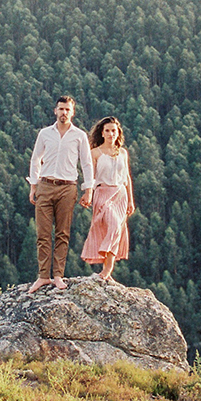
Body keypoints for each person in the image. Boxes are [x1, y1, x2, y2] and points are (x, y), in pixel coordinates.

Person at [27, 95, 94, 292]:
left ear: (72, 112)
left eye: (67, 110)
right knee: (43, 233)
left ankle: (58, 276)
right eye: (61, 109)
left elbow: (87, 163)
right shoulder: (45, 133)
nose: (64, 113)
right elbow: (35, 159)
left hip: (68, 187)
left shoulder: (79, 135)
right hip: (45, 185)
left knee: (63, 233)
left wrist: (88, 190)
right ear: (55, 111)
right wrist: (33, 186)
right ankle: (42, 276)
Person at [80, 115, 135, 283]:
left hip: (120, 194)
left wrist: (131, 201)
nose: (111, 134)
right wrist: (88, 193)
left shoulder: (123, 153)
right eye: (108, 131)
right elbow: (90, 176)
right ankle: (105, 263)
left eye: (114, 131)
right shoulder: (95, 153)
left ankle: (107, 270)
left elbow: (127, 177)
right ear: (102, 133)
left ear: (118, 133)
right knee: (112, 225)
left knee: (117, 227)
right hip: (102, 193)